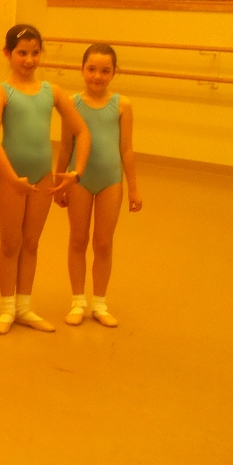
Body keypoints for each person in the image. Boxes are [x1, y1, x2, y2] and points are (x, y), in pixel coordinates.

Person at [0, 24, 90, 335]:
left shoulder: (52, 92)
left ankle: (24, 307)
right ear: (8, 53)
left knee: (31, 243)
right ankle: (7, 308)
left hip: (42, 177)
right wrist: (11, 176)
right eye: (22, 53)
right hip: (10, 177)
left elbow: (82, 131)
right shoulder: (0, 92)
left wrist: (76, 172)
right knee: (10, 244)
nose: (29, 60)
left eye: (34, 53)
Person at [54, 44, 142, 328]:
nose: (97, 76)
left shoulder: (122, 105)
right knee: (78, 240)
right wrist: (59, 181)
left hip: (110, 181)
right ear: (82, 69)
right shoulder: (72, 103)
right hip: (78, 180)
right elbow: (66, 145)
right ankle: (78, 301)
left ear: (114, 72)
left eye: (105, 70)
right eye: (91, 69)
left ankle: (99, 303)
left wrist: (133, 187)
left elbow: (126, 149)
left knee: (103, 243)